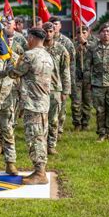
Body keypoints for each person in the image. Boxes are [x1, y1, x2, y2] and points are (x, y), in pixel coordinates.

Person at [6, 28, 53, 185]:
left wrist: (8, 64)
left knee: (35, 138)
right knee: (41, 136)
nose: (27, 40)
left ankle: (40, 173)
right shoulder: (47, 55)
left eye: (28, 38)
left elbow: (15, 73)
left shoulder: (30, 55)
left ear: (32, 38)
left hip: (33, 103)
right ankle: (40, 169)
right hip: (43, 102)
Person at [0, 29, 19, 175]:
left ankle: (10, 163)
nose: (7, 42)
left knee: (8, 130)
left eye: (10, 39)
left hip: (7, 99)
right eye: (4, 39)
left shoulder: (15, 57)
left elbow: (19, 79)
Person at [42, 22, 71, 155]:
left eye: (50, 31)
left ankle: (51, 145)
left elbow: (65, 71)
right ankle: (41, 144)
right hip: (39, 89)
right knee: (41, 119)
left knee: (53, 119)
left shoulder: (61, 49)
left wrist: (66, 90)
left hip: (55, 89)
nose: (48, 34)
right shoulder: (37, 48)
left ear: (54, 32)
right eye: (46, 31)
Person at [48, 16, 75, 136]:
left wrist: (66, 89)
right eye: (51, 24)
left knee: (60, 109)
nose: (54, 27)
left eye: (56, 24)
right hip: (44, 85)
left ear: (60, 26)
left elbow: (68, 64)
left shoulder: (65, 43)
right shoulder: (40, 44)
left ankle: (58, 130)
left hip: (58, 83)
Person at [71, 26, 94, 131]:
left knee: (87, 102)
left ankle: (85, 123)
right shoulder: (72, 46)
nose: (81, 35)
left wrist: (85, 44)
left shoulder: (92, 45)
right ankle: (77, 123)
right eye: (79, 33)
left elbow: (96, 54)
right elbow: (68, 58)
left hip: (89, 78)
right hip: (76, 78)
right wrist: (76, 50)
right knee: (76, 102)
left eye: (84, 32)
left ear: (88, 33)